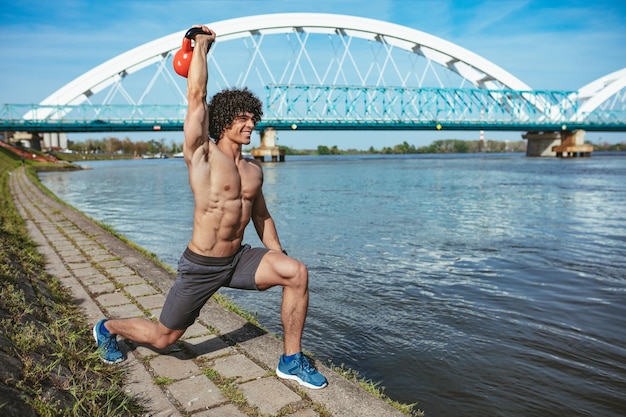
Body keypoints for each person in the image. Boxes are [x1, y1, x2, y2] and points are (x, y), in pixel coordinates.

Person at [92, 25, 327, 390]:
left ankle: (291, 360)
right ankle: (107, 327)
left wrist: (278, 258)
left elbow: (261, 216)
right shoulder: (202, 154)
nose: (251, 124)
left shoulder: (253, 169)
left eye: (254, 119)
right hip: (202, 265)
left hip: (239, 259)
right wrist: (201, 46)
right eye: (243, 118)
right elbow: (197, 95)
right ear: (224, 120)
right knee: (164, 338)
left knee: (296, 273)